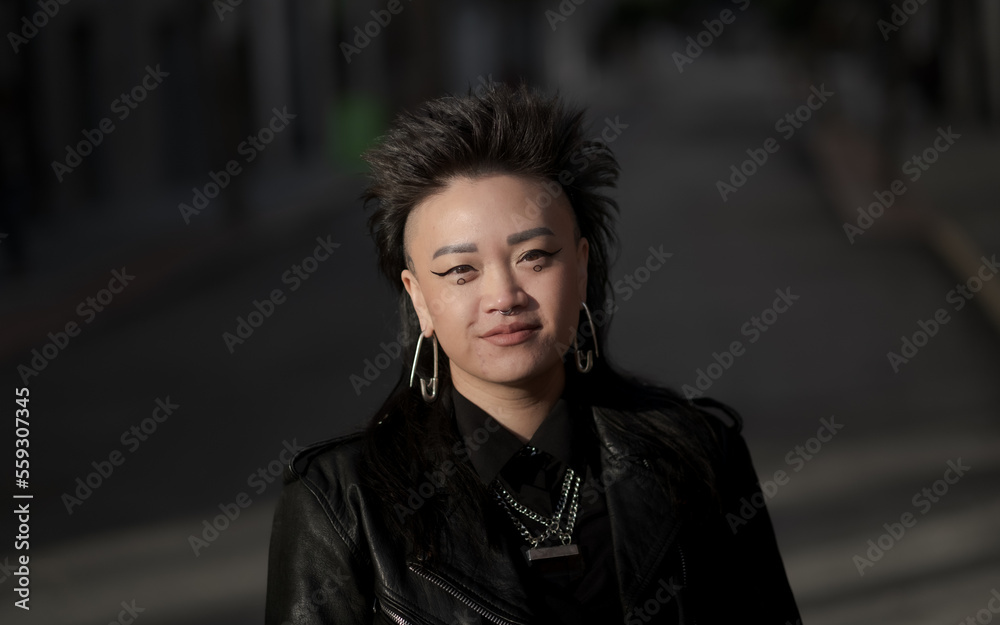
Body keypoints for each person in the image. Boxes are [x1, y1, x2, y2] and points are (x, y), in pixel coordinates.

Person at [265, 82, 801, 624]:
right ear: (419, 298)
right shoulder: (339, 504)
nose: (503, 297)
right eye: (460, 271)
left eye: (535, 256)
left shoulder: (699, 457)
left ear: (583, 264)